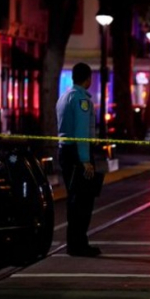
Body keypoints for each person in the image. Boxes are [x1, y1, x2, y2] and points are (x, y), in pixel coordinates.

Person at [56, 62, 102, 257]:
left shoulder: (64, 97)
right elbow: (81, 132)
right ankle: (79, 244)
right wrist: (85, 159)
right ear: (88, 78)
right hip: (78, 153)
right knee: (83, 201)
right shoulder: (82, 100)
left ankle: (74, 243)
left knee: (73, 199)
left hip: (65, 152)